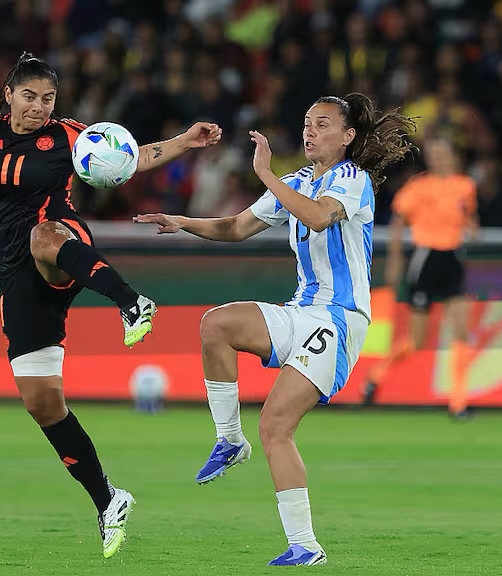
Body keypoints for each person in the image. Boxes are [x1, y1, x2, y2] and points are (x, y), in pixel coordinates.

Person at [0, 52, 221, 558]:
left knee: (43, 235)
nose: (38, 107)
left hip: (61, 239)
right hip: (13, 273)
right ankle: (108, 500)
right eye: (29, 96)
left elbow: (131, 156)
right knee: (43, 403)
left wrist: (184, 141)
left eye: (47, 98)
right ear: (9, 95)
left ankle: (131, 302)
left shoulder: (71, 135)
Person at [135, 93, 414, 566]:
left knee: (275, 426)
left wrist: (265, 174)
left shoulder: (352, 179)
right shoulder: (297, 182)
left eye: (322, 124)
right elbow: (235, 227)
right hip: (301, 310)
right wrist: (180, 221)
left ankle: (305, 545)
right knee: (216, 324)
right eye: (307, 123)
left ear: (347, 136)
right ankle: (229, 439)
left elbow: (319, 216)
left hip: (339, 319)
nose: (310, 131)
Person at [361, 134, 478, 420]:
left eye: (442, 153)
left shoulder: (465, 186)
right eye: (433, 154)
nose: (438, 158)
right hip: (425, 258)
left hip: (452, 259)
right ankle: (376, 376)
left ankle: (458, 402)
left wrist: (472, 229)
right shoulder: (418, 186)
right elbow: (398, 222)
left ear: (453, 156)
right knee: (416, 340)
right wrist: (396, 261)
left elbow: (470, 219)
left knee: (461, 331)